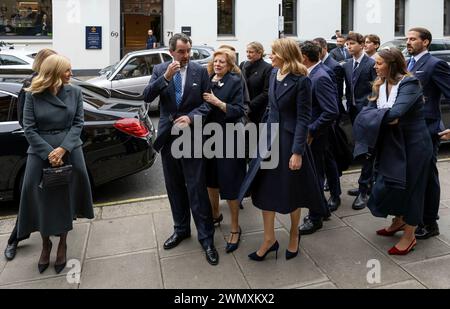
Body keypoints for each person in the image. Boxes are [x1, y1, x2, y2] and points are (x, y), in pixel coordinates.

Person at [239, 38, 328, 261]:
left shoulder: (301, 80)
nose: (271, 56)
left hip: (289, 143)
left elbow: (303, 118)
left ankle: (294, 234)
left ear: (286, 55)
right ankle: (269, 239)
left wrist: (297, 151)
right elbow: (272, 107)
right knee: (264, 190)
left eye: (274, 53)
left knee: (292, 192)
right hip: (269, 140)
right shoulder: (273, 74)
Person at [143, 33, 219, 266]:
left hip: (192, 136)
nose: (186, 56)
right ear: (171, 51)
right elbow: (147, 96)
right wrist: (165, 78)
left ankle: (207, 238)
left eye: (188, 51)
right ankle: (181, 229)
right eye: (181, 52)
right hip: (168, 136)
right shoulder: (160, 70)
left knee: (196, 188)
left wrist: (192, 117)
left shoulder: (200, 71)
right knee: (174, 186)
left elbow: (208, 103)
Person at [18, 54, 94, 273]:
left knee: (65, 200)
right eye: (67, 70)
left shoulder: (75, 92)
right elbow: (29, 128)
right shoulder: (33, 94)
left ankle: (62, 244)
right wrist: (49, 152)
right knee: (40, 199)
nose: (72, 74)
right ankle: (45, 244)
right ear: (53, 73)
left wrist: (62, 149)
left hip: (69, 151)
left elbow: (79, 123)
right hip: (40, 154)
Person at [354, 48, 433, 255]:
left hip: (414, 145)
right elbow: (368, 112)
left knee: (412, 188)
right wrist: (380, 116)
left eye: (379, 63)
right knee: (391, 184)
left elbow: (396, 113)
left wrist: (377, 116)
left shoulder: (409, 83)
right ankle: (398, 221)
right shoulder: (380, 84)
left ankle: (410, 236)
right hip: (392, 143)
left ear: (392, 64)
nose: (375, 66)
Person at [4, 48, 58, 262]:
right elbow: (24, 123)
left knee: (54, 193)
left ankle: (54, 229)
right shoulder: (29, 86)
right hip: (36, 149)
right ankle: (15, 238)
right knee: (30, 195)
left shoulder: (57, 83)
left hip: (56, 149)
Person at [406, 27, 450, 240]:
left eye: (413, 39)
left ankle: (430, 222)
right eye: (407, 38)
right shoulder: (408, 63)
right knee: (414, 175)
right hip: (409, 129)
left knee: (428, 176)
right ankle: (415, 217)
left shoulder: (435, 64)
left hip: (428, 128)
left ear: (426, 42)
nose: (408, 42)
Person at [203, 49, 246, 253]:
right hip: (208, 138)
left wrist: (218, 103)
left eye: (222, 62)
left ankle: (236, 227)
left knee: (230, 184)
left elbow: (240, 110)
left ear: (229, 65)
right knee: (211, 181)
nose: (218, 64)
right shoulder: (208, 79)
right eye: (216, 61)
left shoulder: (235, 81)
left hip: (229, 138)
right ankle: (214, 215)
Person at [298, 41, 338, 235]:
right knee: (313, 174)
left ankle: (315, 218)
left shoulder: (320, 76)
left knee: (314, 176)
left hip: (316, 137)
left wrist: (311, 130)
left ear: (304, 57)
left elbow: (331, 111)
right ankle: (322, 209)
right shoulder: (309, 73)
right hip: (311, 135)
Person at [343, 32, 377, 210]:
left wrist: (369, 108)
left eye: (351, 44)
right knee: (360, 148)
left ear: (362, 45)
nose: (348, 47)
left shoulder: (371, 64)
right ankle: (365, 184)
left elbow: (375, 88)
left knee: (367, 150)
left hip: (368, 112)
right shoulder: (348, 65)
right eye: (347, 44)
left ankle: (364, 190)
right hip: (354, 112)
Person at [313, 37, 346, 211]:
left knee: (329, 160)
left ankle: (335, 194)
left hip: (327, 122)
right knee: (323, 161)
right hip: (320, 121)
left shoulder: (332, 68)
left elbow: (334, 99)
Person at [239, 42, 272, 124]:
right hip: (243, 109)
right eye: (247, 52)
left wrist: (250, 105)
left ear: (259, 53)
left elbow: (266, 92)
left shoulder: (267, 68)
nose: (248, 54)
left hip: (259, 110)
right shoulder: (243, 65)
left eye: (251, 52)